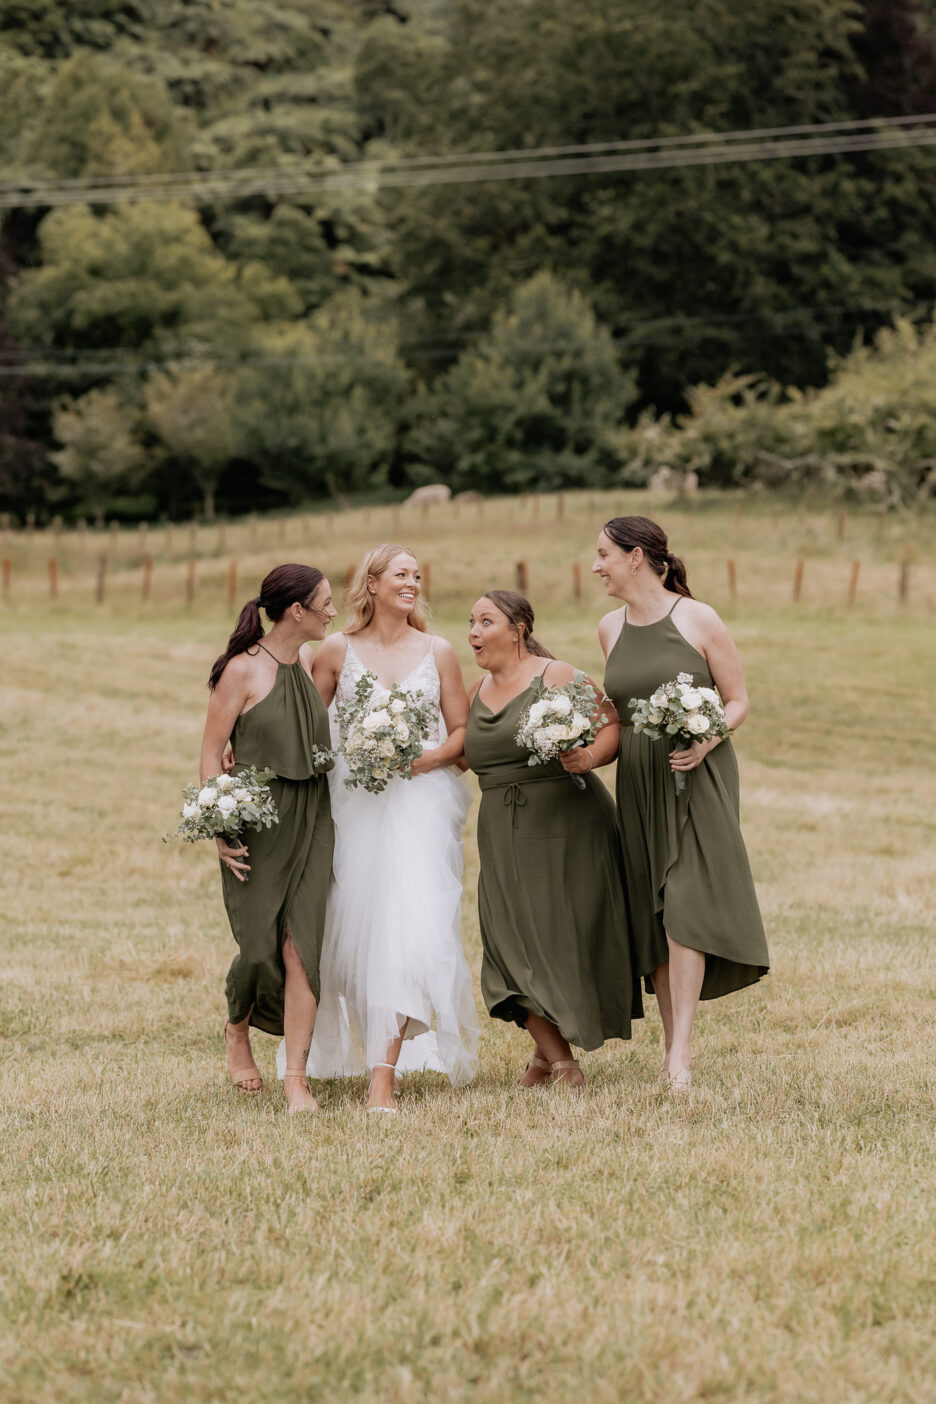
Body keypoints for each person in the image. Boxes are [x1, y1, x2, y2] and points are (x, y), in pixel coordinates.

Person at [295, 543, 479, 1114]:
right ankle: (343, 1051)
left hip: (421, 805)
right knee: (355, 930)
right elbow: (305, 730)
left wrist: (422, 760)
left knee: (407, 930)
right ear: (370, 584)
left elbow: (460, 735)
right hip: (353, 805)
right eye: (401, 574)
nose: (412, 583)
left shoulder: (439, 651)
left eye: (417, 576)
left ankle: (383, 1080)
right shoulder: (335, 650)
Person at [595, 515, 769, 1091]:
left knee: (687, 903)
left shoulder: (697, 618)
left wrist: (707, 738)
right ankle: (673, 1050)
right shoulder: (608, 628)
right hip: (640, 781)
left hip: (698, 776)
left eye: (604, 555)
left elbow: (738, 699)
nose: (597, 566)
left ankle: (680, 1058)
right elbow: (619, 717)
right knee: (657, 911)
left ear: (636, 556)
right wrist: (584, 753)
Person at [463, 589, 642, 1088]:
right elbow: (459, 752)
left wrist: (588, 757)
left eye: (485, 621)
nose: (473, 632)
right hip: (501, 830)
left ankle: (551, 1060)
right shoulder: (475, 691)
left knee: (564, 941)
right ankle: (559, 1061)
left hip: (569, 826)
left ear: (518, 629)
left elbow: (611, 723)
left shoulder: (556, 675)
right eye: (471, 623)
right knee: (506, 946)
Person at [200, 564, 337, 1114]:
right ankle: (238, 1028)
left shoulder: (307, 661)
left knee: (301, 948)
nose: (332, 610)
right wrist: (218, 829)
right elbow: (212, 753)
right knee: (258, 949)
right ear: (296, 610)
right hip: (259, 819)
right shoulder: (241, 671)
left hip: (314, 815)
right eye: (324, 602)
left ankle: (296, 1077)